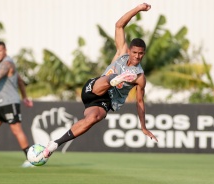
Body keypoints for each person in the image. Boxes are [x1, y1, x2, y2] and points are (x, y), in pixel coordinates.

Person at [43, 3, 158, 158]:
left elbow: (140, 102)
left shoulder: (139, 77)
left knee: (93, 119)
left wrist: (143, 127)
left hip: (105, 102)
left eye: (141, 54)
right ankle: (115, 79)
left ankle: (54, 144)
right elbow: (119, 25)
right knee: (109, 79)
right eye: (135, 52)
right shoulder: (122, 53)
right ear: (130, 50)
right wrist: (138, 9)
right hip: (94, 87)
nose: (138, 56)